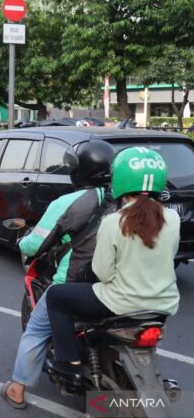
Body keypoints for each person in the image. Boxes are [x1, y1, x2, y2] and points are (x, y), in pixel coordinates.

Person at [47, 147, 180, 386]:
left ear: (119, 180)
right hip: (162, 307)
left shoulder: (113, 221)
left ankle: (68, 362)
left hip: (121, 304)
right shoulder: (173, 218)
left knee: (57, 297)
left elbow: (103, 273)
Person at [0, 140, 115, 409]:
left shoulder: (68, 202)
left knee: (35, 331)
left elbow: (36, 243)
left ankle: (16, 390)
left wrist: (21, 242)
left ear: (79, 171)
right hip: (113, 285)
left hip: (72, 285)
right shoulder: (121, 202)